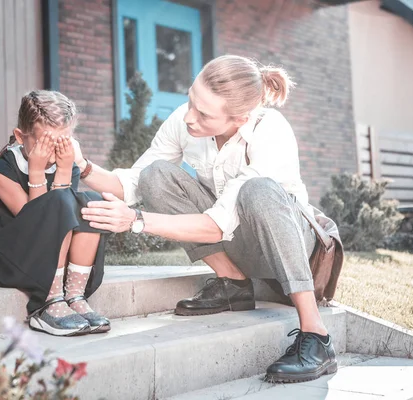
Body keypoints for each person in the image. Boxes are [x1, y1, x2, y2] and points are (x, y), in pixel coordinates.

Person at [75, 55, 339, 382]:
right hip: (239, 244)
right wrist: (81, 165)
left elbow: (216, 225)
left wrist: (135, 220)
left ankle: (316, 336)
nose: (189, 117)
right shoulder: (186, 120)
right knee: (156, 175)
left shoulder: (271, 131)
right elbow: (132, 182)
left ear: (240, 118)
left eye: (203, 114)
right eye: (190, 100)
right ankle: (233, 284)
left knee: (257, 190)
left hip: (292, 249)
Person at [0, 90, 110, 337]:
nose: (53, 152)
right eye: (45, 142)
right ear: (20, 137)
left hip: (49, 255)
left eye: (61, 142)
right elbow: (37, 219)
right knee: (59, 201)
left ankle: (73, 295)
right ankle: (47, 302)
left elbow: (65, 214)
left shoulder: (65, 162)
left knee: (91, 202)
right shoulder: (2, 170)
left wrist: (66, 170)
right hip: (14, 259)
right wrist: (36, 171)